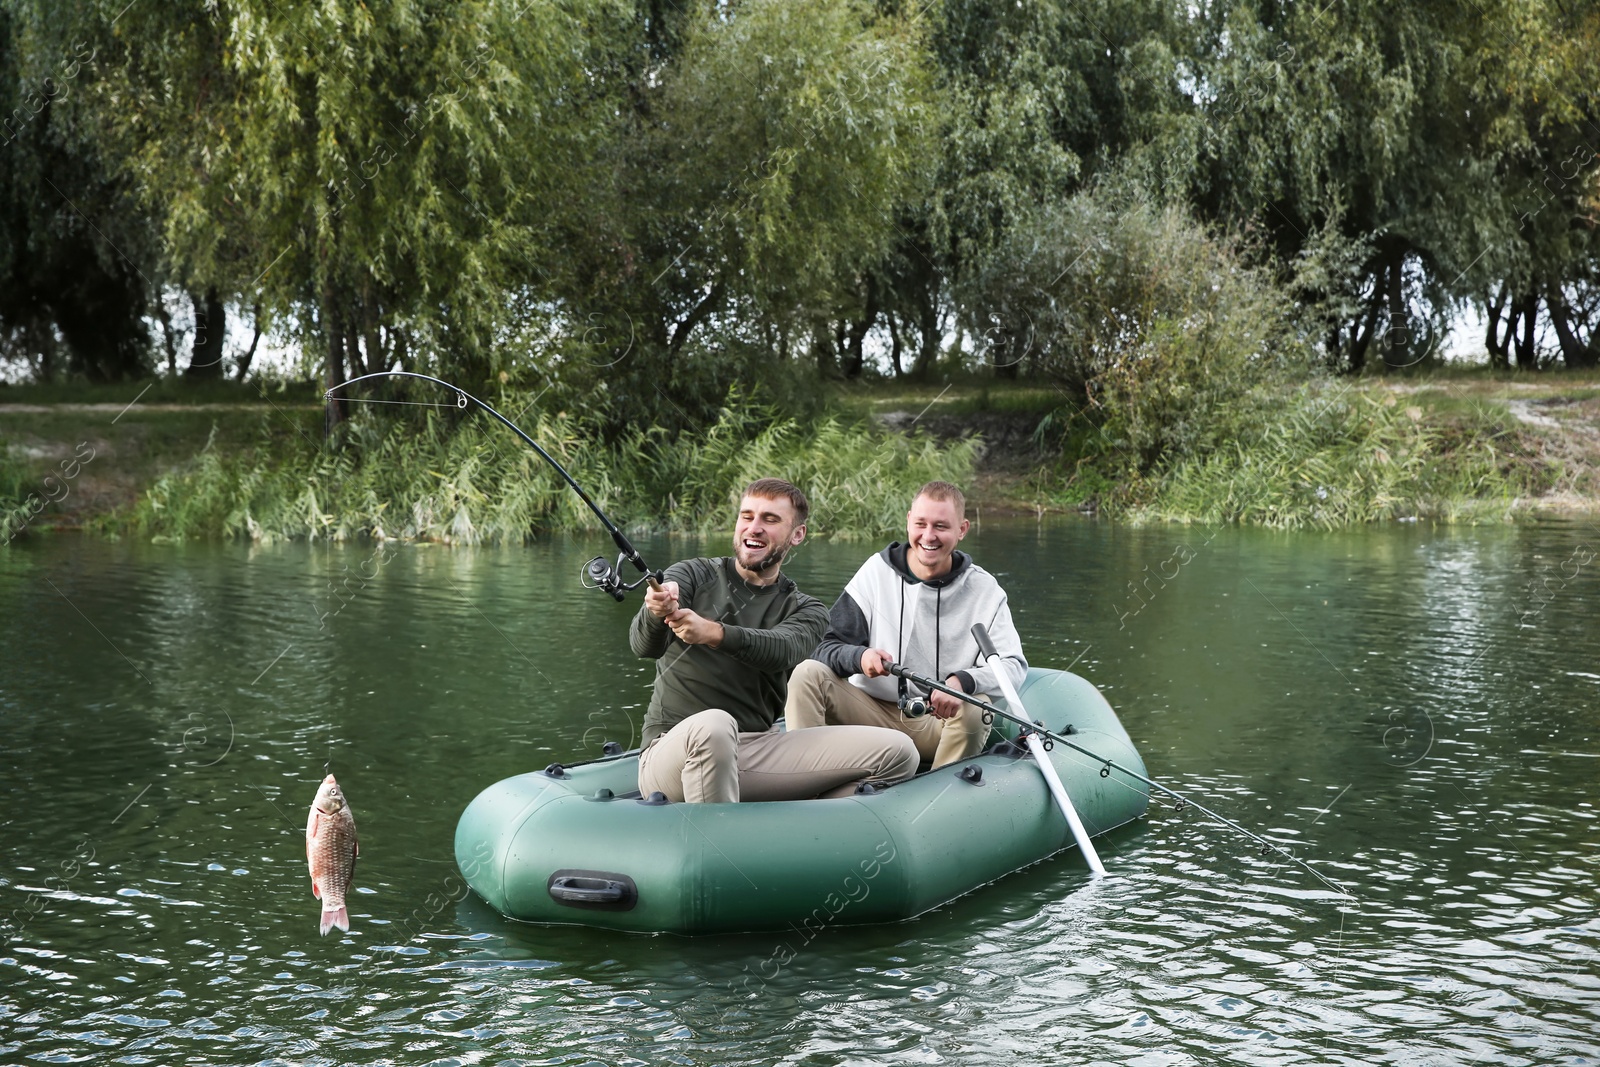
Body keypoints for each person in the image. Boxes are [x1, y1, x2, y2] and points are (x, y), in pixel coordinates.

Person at [631, 478, 918, 803]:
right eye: (747, 516)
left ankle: (798, 828)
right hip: (673, 751)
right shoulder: (694, 574)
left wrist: (714, 633)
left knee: (899, 751)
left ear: (797, 534)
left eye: (770, 519)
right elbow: (644, 646)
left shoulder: (806, 610)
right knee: (714, 725)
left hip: (755, 750)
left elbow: (781, 650)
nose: (754, 528)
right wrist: (656, 610)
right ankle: (720, 846)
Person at [785, 481, 1026, 770]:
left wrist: (960, 683)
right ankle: (806, 781)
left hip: (936, 724)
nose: (929, 536)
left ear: (962, 530)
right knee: (806, 673)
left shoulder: (986, 590)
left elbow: (1013, 666)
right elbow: (824, 646)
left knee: (975, 705)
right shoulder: (876, 571)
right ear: (909, 520)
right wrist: (859, 657)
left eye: (941, 526)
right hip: (868, 715)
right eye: (921, 524)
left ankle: (939, 797)